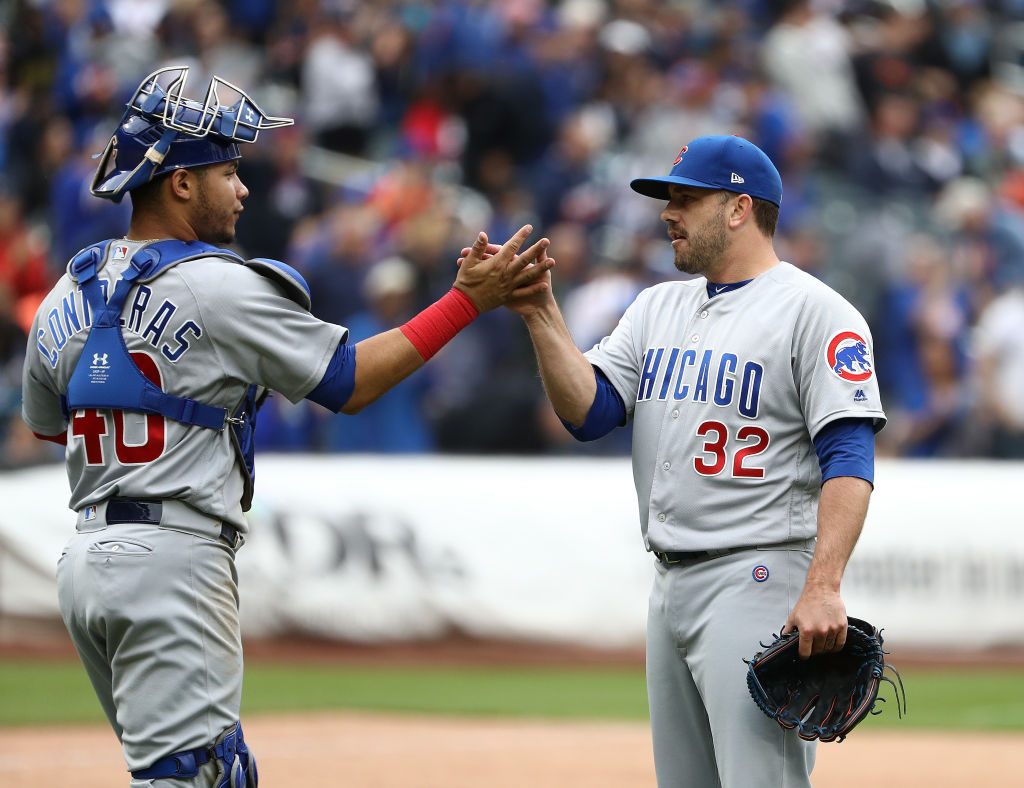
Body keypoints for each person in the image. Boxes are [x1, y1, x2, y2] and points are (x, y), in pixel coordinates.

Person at [20, 65, 551, 788]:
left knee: (203, 770)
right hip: (174, 559)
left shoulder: (65, 291)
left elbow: (52, 426)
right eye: (227, 170)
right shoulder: (218, 283)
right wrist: (466, 302)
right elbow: (349, 382)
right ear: (179, 181)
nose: (242, 189)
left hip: (86, 560)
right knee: (195, 776)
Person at [501, 134, 885, 786]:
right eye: (668, 199)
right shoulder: (657, 307)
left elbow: (849, 455)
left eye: (686, 198)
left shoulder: (816, 313)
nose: (667, 212)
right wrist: (541, 313)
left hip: (759, 577)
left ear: (739, 209)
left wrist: (822, 585)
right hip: (670, 583)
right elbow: (589, 414)